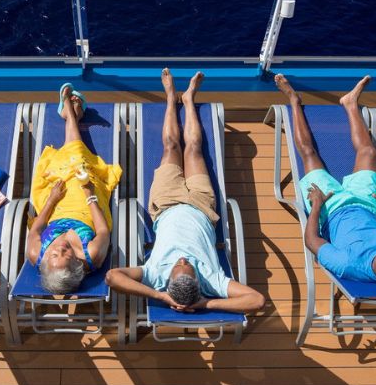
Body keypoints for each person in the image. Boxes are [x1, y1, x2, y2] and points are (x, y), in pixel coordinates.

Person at [105, 70, 264, 314]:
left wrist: (158, 295)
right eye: (187, 265)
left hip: (166, 203)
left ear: (168, 282)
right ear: (198, 282)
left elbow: (112, 277)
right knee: (193, 149)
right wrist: (208, 303)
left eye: (178, 266)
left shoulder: (155, 275)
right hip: (201, 204)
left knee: (171, 147)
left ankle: (170, 99)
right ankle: (188, 99)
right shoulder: (211, 280)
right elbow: (257, 300)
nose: (182, 260)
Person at [277, 74, 376, 297]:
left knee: (308, 153)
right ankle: (350, 103)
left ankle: (293, 100)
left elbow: (312, 241)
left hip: (330, 208)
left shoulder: (347, 263)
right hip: (367, 204)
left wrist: (316, 205)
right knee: (369, 152)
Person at [26, 85, 122, 294]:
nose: (60, 250)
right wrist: (90, 195)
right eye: (66, 257)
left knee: (67, 166)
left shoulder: (36, 253)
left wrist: (51, 200)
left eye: (54, 255)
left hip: (56, 206)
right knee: (78, 164)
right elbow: (103, 230)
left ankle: (71, 115)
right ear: (77, 266)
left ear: (45, 262)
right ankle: (70, 114)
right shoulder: (92, 255)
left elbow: (35, 230)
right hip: (88, 208)